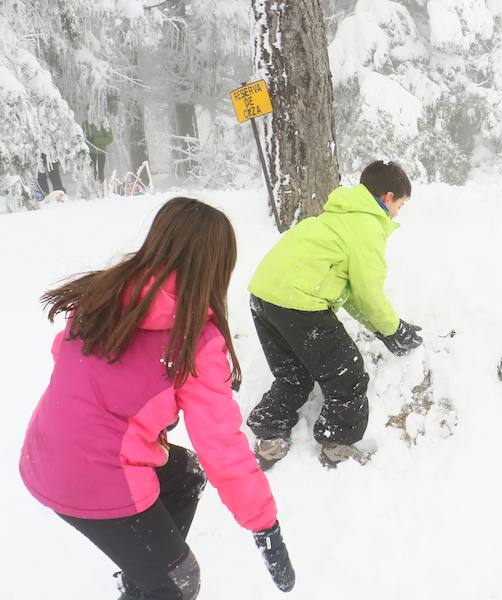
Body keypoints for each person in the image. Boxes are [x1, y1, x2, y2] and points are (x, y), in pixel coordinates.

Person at [19, 198, 296, 599]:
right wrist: (265, 525)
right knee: (179, 584)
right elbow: (222, 445)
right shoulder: (194, 340)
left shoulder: (104, 292)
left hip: (42, 455)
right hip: (91, 478)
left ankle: (145, 571)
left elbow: (64, 358)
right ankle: (152, 584)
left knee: (185, 476)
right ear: (215, 267)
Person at [246, 160, 423, 469]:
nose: (397, 215)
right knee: (348, 374)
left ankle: (270, 435)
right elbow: (368, 293)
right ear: (387, 197)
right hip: (298, 302)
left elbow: (353, 294)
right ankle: (337, 442)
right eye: (400, 205)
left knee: (294, 374)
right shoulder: (367, 226)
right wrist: (395, 331)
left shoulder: (337, 217)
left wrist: (383, 329)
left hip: (264, 296)